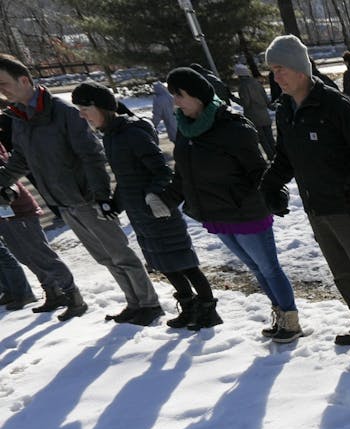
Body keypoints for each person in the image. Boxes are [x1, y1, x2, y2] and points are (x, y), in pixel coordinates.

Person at [263, 34, 350, 353]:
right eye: (272, 70)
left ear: (299, 69)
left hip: (348, 208)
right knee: (342, 273)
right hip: (317, 210)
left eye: (280, 68)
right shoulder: (285, 109)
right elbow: (285, 157)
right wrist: (270, 184)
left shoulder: (334, 104)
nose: (276, 76)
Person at [0, 55, 161, 323]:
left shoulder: (63, 112)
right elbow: (20, 159)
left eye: (4, 84)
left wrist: (100, 196)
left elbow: (92, 155)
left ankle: (149, 304)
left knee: (120, 254)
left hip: (86, 198)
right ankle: (134, 304)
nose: (1, 91)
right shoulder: (19, 117)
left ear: (24, 80)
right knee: (104, 257)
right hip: (62, 201)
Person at [165, 66, 302, 343]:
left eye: (180, 95)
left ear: (199, 96)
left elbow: (258, 169)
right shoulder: (185, 129)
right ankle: (279, 314)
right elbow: (183, 173)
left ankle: (290, 319)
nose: (175, 102)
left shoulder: (232, 127)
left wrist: (274, 194)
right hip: (216, 214)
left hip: (246, 212)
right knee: (255, 269)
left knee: (268, 268)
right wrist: (167, 198)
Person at [72, 81, 218, 330]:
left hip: (159, 212)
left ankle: (209, 310)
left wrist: (153, 195)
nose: (82, 114)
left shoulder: (132, 133)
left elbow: (162, 171)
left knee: (185, 264)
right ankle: (189, 306)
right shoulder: (111, 136)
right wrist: (113, 206)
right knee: (165, 266)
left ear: (103, 107)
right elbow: (127, 180)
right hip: (141, 216)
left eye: (85, 108)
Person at [0, 137, 79, 316]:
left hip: (19, 210)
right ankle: (53, 292)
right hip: (4, 215)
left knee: (43, 256)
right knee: (25, 257)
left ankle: (73, 295)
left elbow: (7, 171)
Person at [234, 63, 276, 157]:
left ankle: (272, 158)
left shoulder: (243, 86)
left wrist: (233, 98)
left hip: (254, 117)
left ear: (239, 75)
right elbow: (266, 100)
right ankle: (278, 157)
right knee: (270, 138)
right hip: (265, 115)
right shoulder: (256, 82)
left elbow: (246, 103)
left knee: (263, 140)